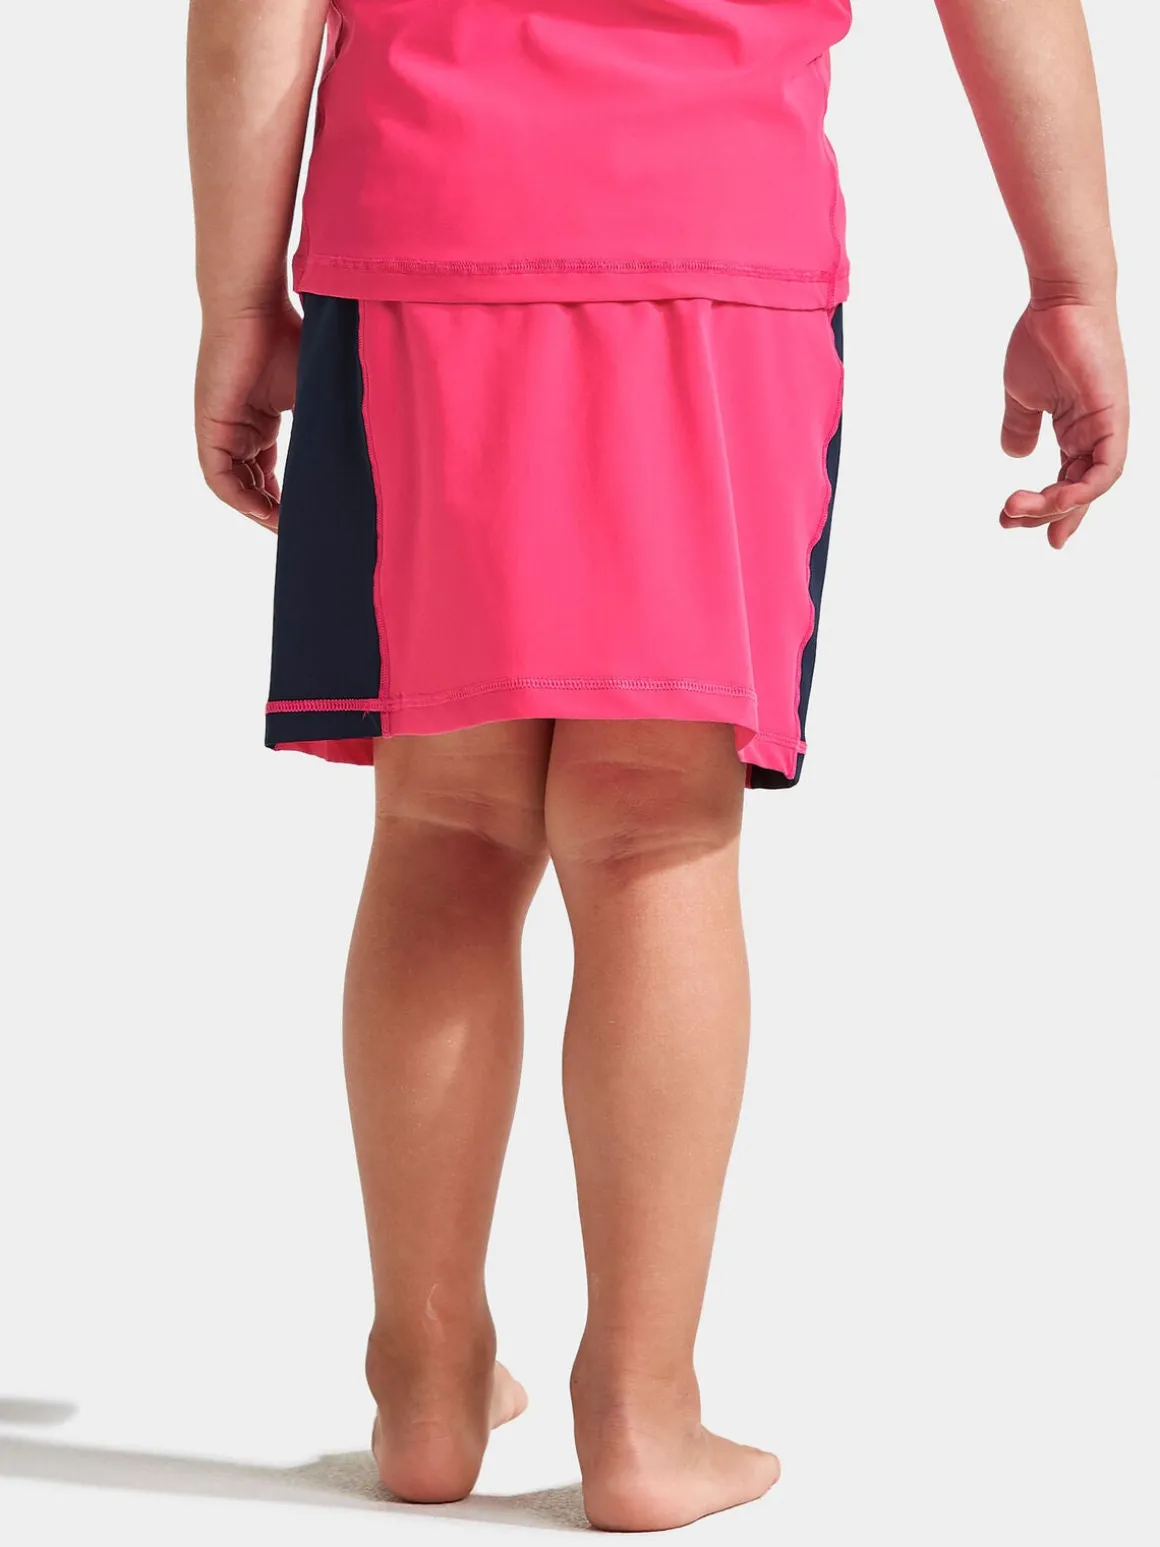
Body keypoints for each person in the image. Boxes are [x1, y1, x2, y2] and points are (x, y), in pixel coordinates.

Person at [187, 0, 1128, 1530]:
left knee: (440, 825)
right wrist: (1070, 279)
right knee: (650, 834)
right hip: (715, 243)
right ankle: (641, 1407)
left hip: (419, 229)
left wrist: (235, 293)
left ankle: (424, 1378)